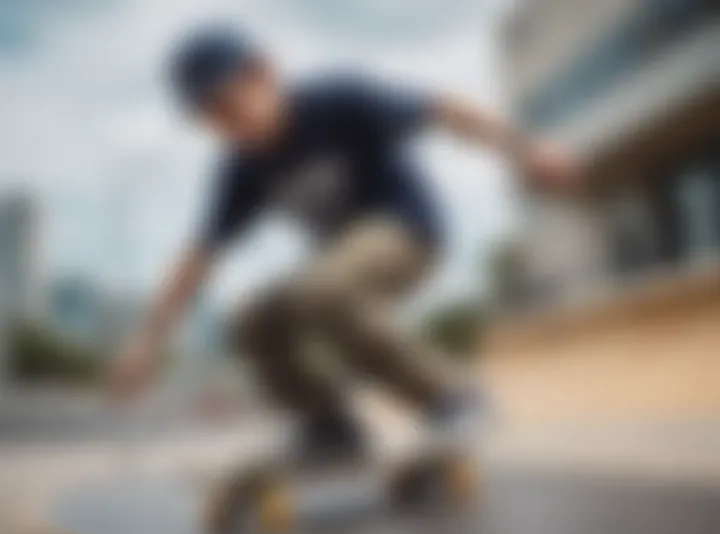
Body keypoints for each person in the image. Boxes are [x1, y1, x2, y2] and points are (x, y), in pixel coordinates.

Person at [109, 26, 580, 461]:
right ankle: (328, 424)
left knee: (321, 289)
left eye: (229, 106)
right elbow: (199, 254)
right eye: (210, 120)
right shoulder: (240, 168)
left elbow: (441, 108)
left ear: (264, 72)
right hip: (337, 266)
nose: (229, 127)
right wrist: (148, 339)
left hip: (410, 232)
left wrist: (523, 149)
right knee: (253, 321)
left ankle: (450, 398)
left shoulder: (338, 99)